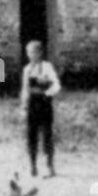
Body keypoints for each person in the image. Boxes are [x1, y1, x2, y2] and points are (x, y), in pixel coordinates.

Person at [19, 40, 61, 177]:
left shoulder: (47, 67)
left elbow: (56, 86)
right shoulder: (27, 70)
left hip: (44, 104)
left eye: (33, 52)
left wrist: (46, 93)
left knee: (47, 135)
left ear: (40, 53)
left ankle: (50, 166)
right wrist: (24, 107)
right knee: (31, 136)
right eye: (28, 53)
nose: (30, 55)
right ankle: (33, 165)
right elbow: (25, 89)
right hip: (32, 104)